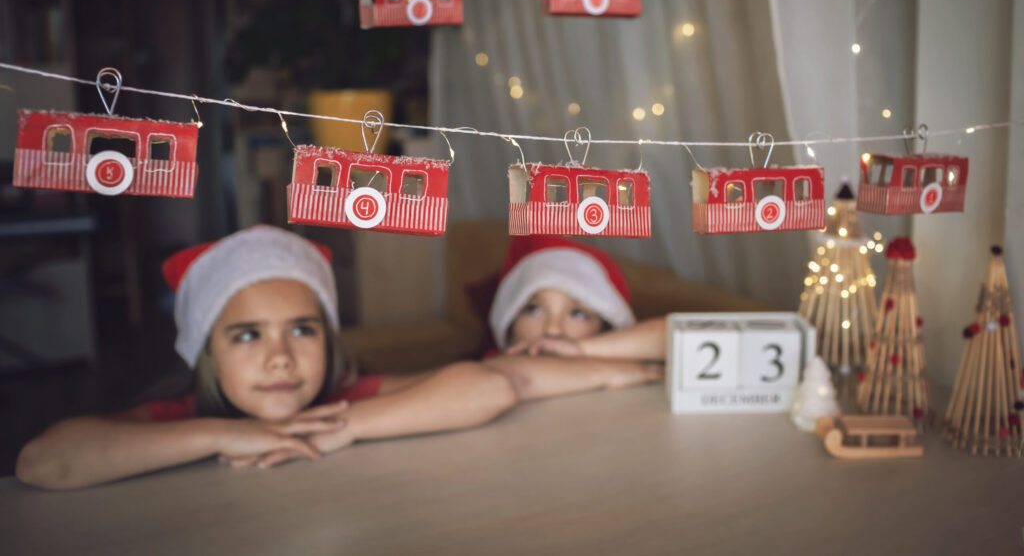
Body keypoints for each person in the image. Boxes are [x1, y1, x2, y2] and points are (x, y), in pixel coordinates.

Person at [16, 226, 516, 490]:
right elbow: (43, 463)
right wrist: (224, 434)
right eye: (248, 336)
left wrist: (347, 426)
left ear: (329, 339)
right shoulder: (184, 415)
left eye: (302, 329)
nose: (280, 359)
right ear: (206, 350)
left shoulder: (339, 403)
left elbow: (489, 387)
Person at [480, 235, 665, 400]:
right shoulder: (487, 374)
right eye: (533, 309)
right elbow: (519, 379)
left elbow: (670, 335)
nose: (553, 329)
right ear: (510, 325)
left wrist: (582, 349)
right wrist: (608, 372)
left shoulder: (631, 388)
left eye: (577, 314)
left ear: (606, 329)